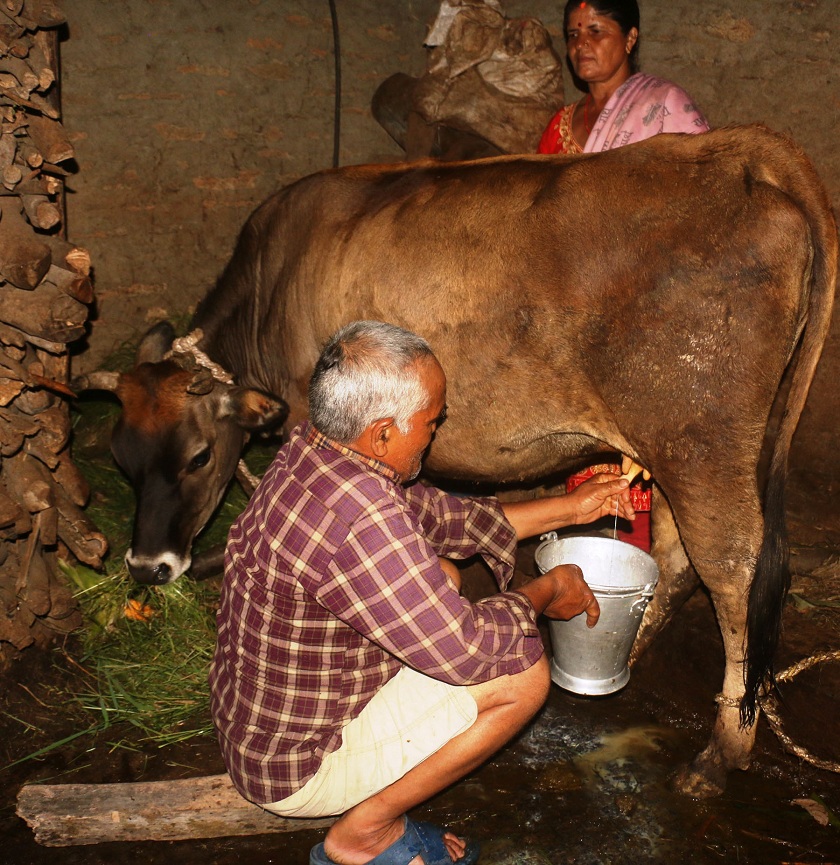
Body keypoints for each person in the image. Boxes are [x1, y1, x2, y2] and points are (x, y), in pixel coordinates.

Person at [209, 320, 634, 865]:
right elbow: (471, 649)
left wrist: (576, 508)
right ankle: (365, 832)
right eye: (432, 421)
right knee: (521, 672)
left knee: (444, 577)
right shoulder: (363, 516)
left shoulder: (316, 453)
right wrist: (547, 591)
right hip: (295, 765)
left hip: (254, 720)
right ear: (383, 433)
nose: (437, 429)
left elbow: (443, 516)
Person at [537, 0, 710, 550]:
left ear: (630, 37)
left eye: (597, 30)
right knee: (584, 434)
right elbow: (537, 223)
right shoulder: (560, 127)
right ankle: (589, 559)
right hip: (575, 310)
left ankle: (640, 567)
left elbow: (700, 202)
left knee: (644, 435)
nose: (581, 44)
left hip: (649, 304)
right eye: (572, 34)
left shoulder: (664, 107)